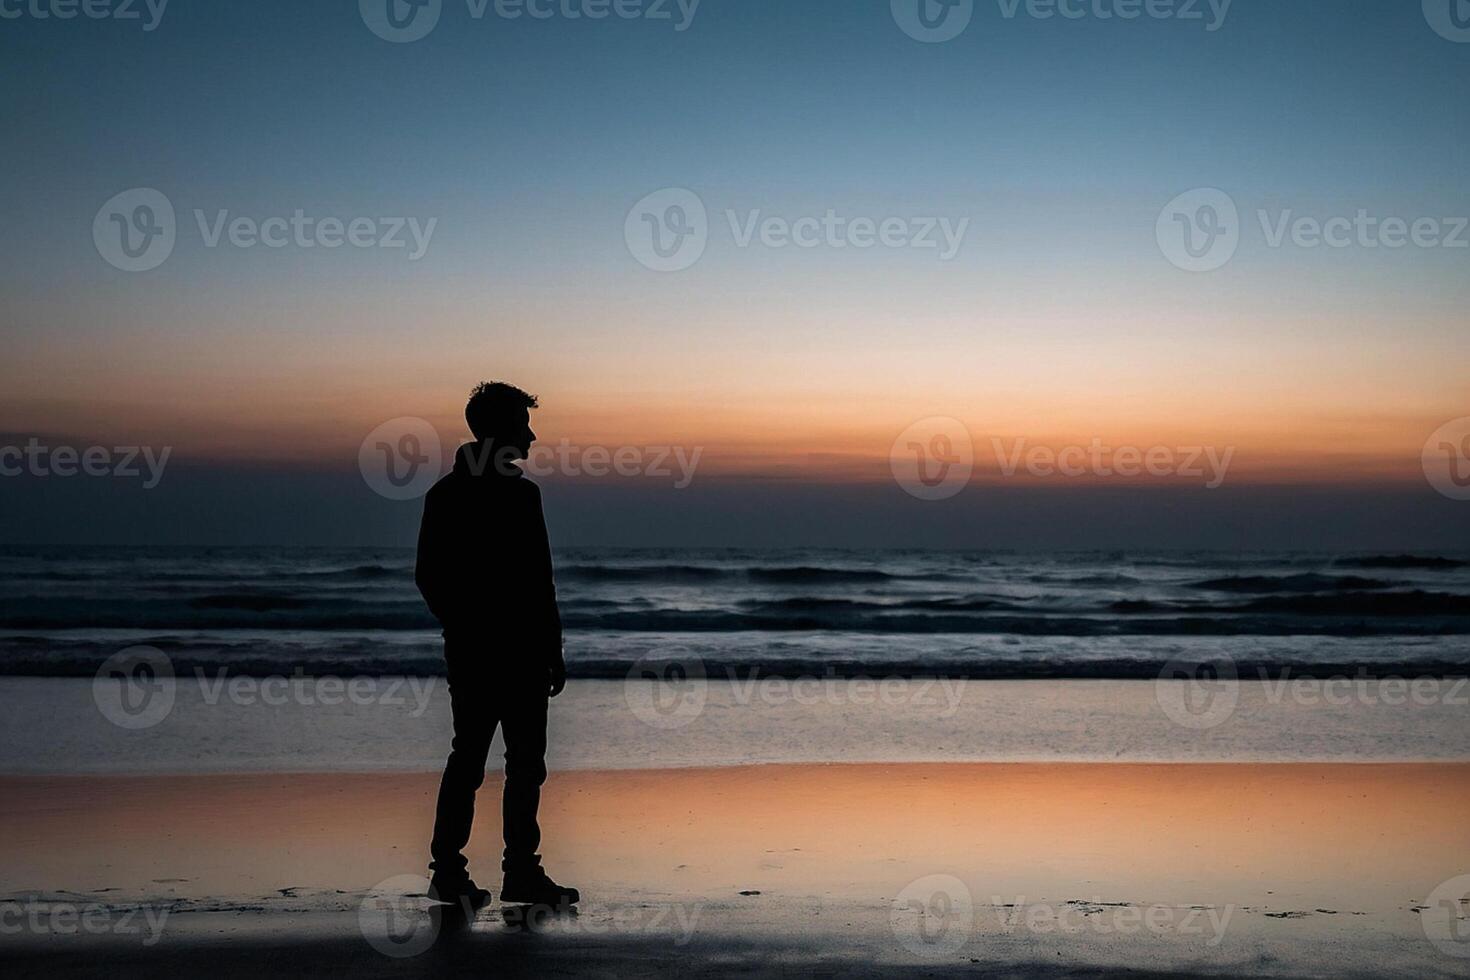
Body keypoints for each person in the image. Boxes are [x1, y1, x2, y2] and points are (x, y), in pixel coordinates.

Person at [416, 381, 579, 908]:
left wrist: (549, 647)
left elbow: (539, 581)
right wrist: (472, 627)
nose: (531, 437)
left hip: (513, 652)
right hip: (490, 651)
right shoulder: (453, 496)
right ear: (496, 432)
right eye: (521, 426)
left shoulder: (513, 494)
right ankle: (460, 870)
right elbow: (431, 577)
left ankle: (505, 872)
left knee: (514, 763)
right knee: (482, 762)